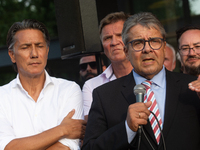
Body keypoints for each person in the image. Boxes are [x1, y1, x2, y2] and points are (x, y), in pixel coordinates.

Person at [82, 12, 200, 150]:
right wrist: (127, 128)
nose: (147, 49)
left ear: (163, 46)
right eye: (138, 43)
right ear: (126, 51)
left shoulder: (192, 87)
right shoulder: (104, 96)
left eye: (154, 41)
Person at [0, 19, 86, 150]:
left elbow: (66, 147)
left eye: (39, 46)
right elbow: (8, 148)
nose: (34, 54)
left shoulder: (69, 90)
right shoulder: (2, 97)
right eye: (25, 47)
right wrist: (63, 129)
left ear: (47, 50)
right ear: (12, 55)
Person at [82, 12, 133, 121]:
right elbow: (92, 130)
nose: (114, 42)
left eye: (120, 35)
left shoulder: (149, 76)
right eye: (107, 38)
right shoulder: (92, 86)